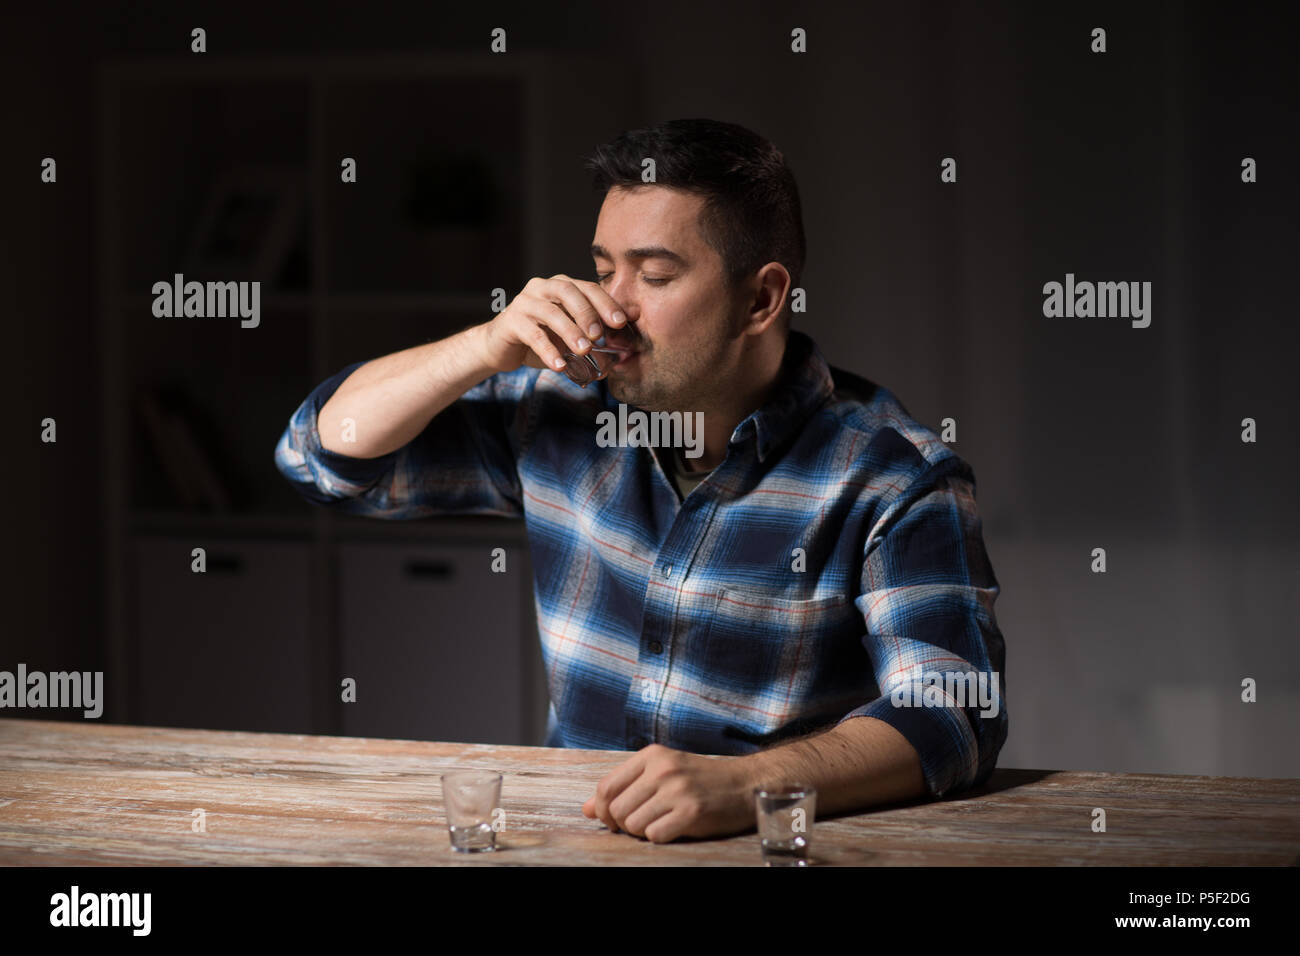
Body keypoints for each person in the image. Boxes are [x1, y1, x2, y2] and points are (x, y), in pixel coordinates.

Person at [274, 118, 1008, 844]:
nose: (612, 309)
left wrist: (747, 784)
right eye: (602, 271)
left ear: (762, 299)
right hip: (576, 845)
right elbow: (321, 458)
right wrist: (484, 345)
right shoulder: (556, 412)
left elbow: (953, 710)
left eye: (654, 276)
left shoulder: (893, 475)